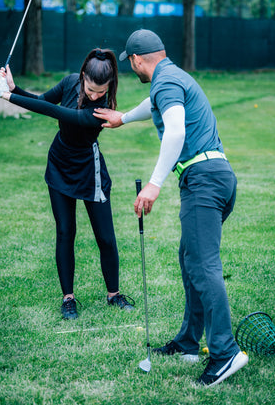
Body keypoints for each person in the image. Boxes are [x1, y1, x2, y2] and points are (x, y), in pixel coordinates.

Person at [93, 30, 248, 386]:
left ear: (135, 60)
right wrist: (124, 118)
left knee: (202, 263)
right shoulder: (172, 76)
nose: (132, 69)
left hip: (203, 181)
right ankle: (189, 342)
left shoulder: (163, 82)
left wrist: (154, 182)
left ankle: (224, 353)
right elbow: (155, 106)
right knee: (190, 257)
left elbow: (175, 131)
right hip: (216, 176)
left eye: (130, 64)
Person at [0, 49, 135, 320]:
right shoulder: (70, 82)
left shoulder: (101, 109)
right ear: (82, 77)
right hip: (60, 163)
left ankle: (113, 294)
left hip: (88, 168)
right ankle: (68, 298)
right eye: (91, 89)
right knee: (65, 231)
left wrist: (7, 96)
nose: (95, 95)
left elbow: (53, 111)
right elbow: (42, 101)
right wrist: (13, 87)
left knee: (105, 236)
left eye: (101, 91)